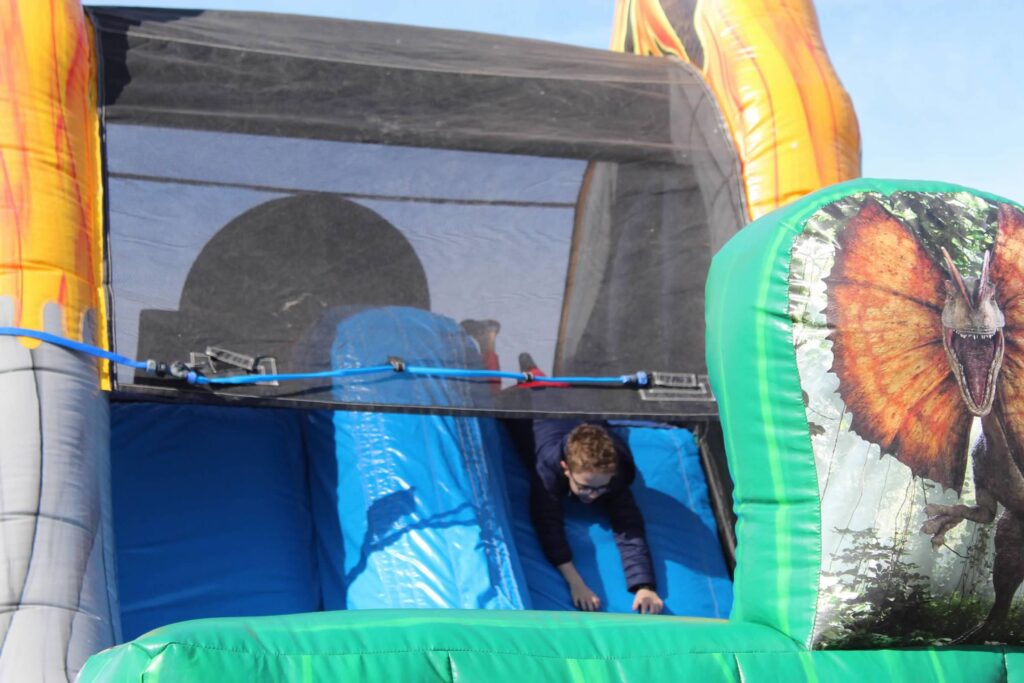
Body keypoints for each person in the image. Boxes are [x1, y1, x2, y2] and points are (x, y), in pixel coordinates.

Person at [522, 418, 665, 614]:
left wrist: (645, 586)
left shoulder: (616, 471)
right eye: (585, 487)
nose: (593, 495)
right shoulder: (548, 465)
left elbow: (628, 526)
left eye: (601, 488)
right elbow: (548, 524)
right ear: (565, 469)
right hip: (535, 415)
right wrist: (576, 582)